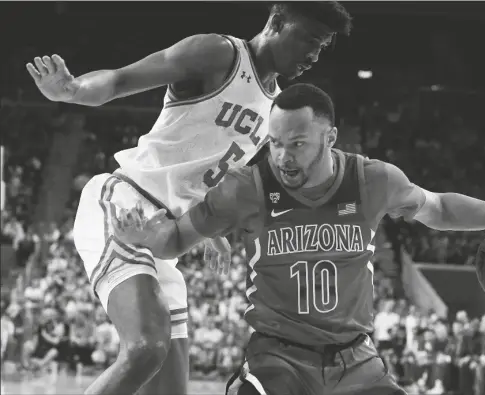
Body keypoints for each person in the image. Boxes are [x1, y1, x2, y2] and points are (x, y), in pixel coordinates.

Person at [109, 83, 485, 395]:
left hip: (357, 362)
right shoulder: (246, 187)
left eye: (297, 143)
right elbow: (175, 240)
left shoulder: (372, 181)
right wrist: (146, 234)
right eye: (274, 143)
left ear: (329, 137)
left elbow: (440, 209)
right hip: (278, 360)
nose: (283, 156)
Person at [25, 3, 352, 395]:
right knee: (146, 348)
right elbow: (118, 80)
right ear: (278, 22)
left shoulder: (277, 111)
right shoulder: (218, 54)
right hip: (125, 204)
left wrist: (210, 229)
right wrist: (74, 89)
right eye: (310, 40)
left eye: (323, 47)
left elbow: (208, 173)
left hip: (166, 236)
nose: (314, 55)